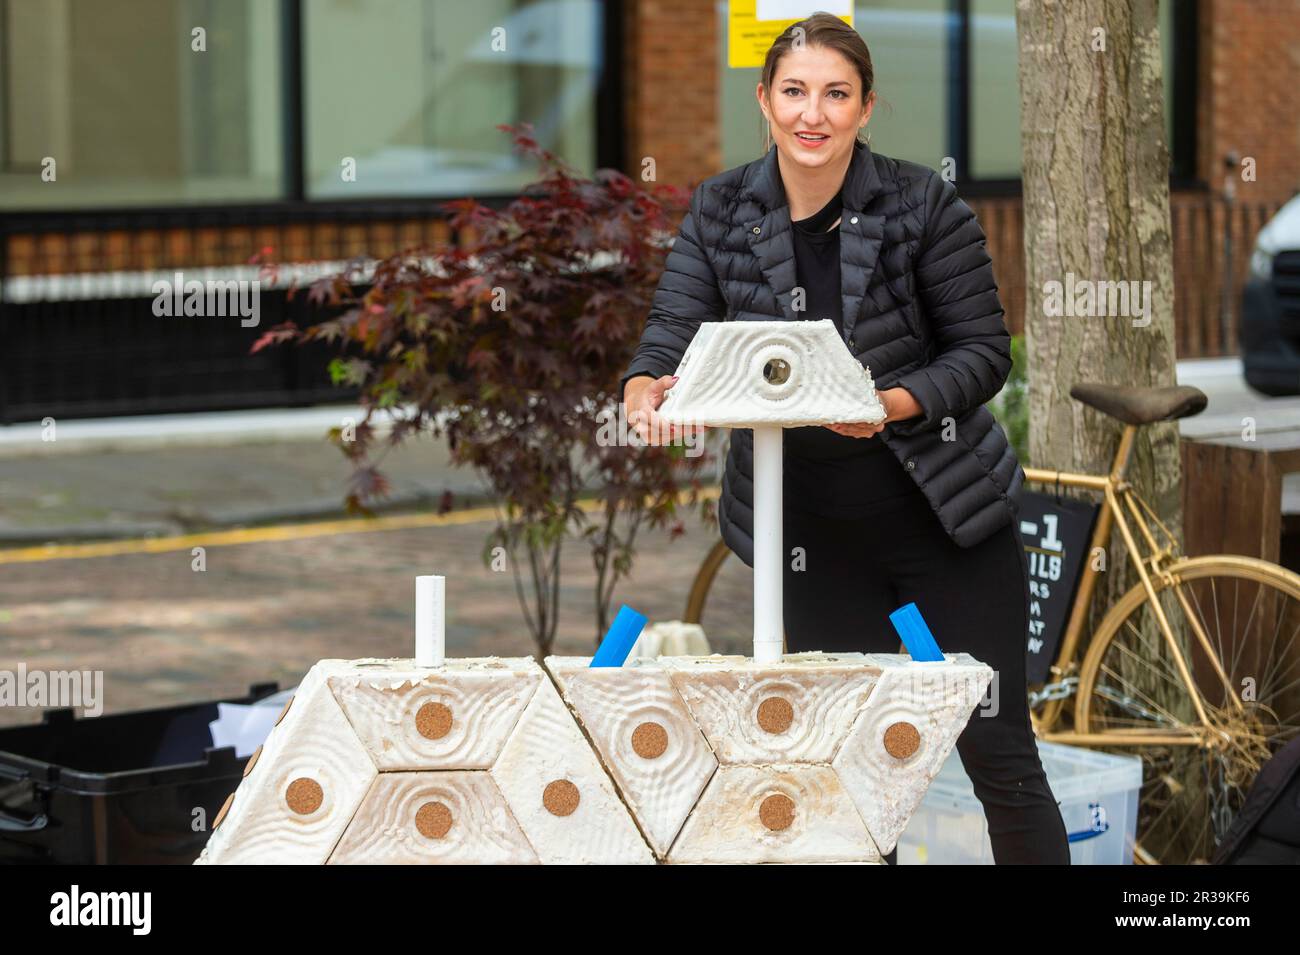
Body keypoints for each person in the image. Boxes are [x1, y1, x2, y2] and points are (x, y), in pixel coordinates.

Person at [620, 13, 1069, 865]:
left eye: (835, 94)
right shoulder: (721, 208)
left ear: (866, 107)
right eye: (793, 92)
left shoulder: (920, 202)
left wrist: (892, 401)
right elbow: (668, 336)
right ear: (764, 101)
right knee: (848, 778)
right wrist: (646, 393)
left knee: (1000, 757)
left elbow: (983, 352)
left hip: (944, 520)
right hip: (811, 541)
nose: (811, 114)